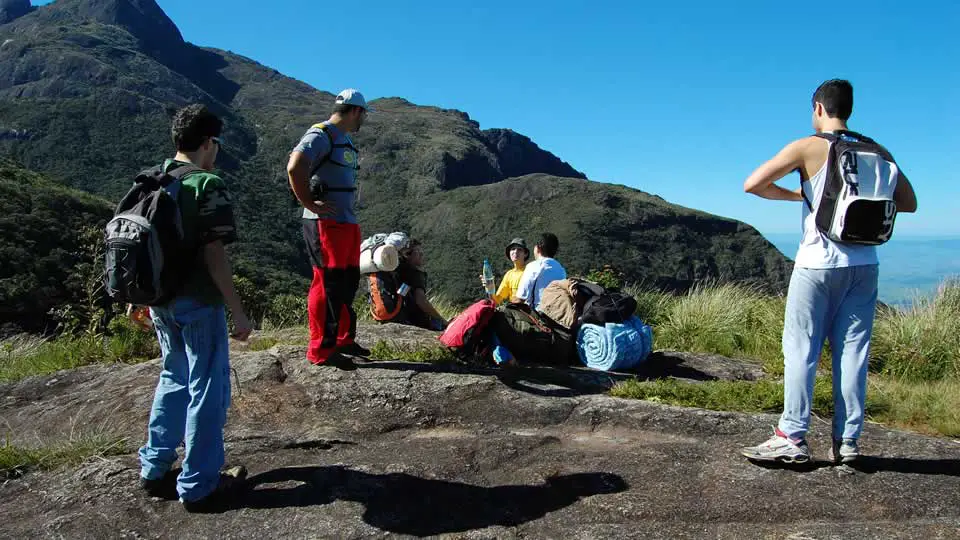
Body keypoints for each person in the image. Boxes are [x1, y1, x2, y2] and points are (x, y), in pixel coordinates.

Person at [740, 79, 917, 464]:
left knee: (802, 349)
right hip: (865, 266)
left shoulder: (809, 146)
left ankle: (792, 435)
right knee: (853, 353)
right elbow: (909, 202)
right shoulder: (880, 152)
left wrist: (799, 195)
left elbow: (753, 184)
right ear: (848, 109)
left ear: (819, 107)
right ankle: (849, 441)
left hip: (817, 264)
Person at [138, 104, 253, 512]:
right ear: (209, 143)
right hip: (197, 302)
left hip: (159, 301)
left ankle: (154, 468)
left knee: (173, 377)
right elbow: (215, 255)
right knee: (207, 388)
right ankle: (199, 485)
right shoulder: (206, 184)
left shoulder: (152, 180)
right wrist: (237, 311)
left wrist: (140, 297)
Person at [286, 89, 373, 368]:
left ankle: (343, 339)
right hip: (325, 224)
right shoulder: (320, 135)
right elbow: (295, 166)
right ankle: (321, 349)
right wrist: (309, 202)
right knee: (326, 283)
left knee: (347, 282)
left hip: (345, 222)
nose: (363, 120)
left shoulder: (343, 139)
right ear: (356, 111)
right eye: (364, 114)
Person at [396, 240, 448, 330]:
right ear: (407, 255)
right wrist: (442, 320)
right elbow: (421, 301)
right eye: (418, 252)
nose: (421, 255)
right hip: (415, 321)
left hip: (399, 317)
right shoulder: (415, 274)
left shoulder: (397, 271)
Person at [514, 233, 567, 309]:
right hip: (557, 314)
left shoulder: (533, 266)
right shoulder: (561, 269)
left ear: (538, 248)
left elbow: (521, 298)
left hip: (537, 314)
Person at [480, 238, 530, 305]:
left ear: (525, 254)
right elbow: (496, 301)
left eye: (519, 249)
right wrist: (489, 289)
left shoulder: (530, 271)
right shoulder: (509, 274)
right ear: (509, 253)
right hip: (514, 311)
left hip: (527, 310)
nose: (515, 251)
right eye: (513, 249)